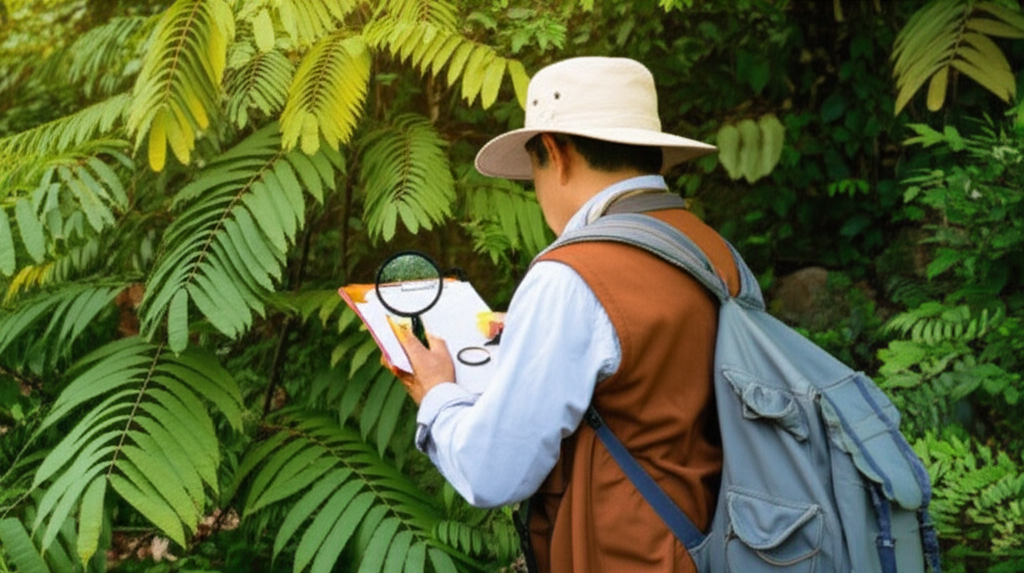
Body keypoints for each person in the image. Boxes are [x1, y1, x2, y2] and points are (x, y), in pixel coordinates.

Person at [396, 56, 740, 573]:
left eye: (533, 171)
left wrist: (437, 393)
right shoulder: (714, 251)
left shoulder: (571, 277)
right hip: (716, 545)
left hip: (622, 556)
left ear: (555, 155)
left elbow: (491, 472)